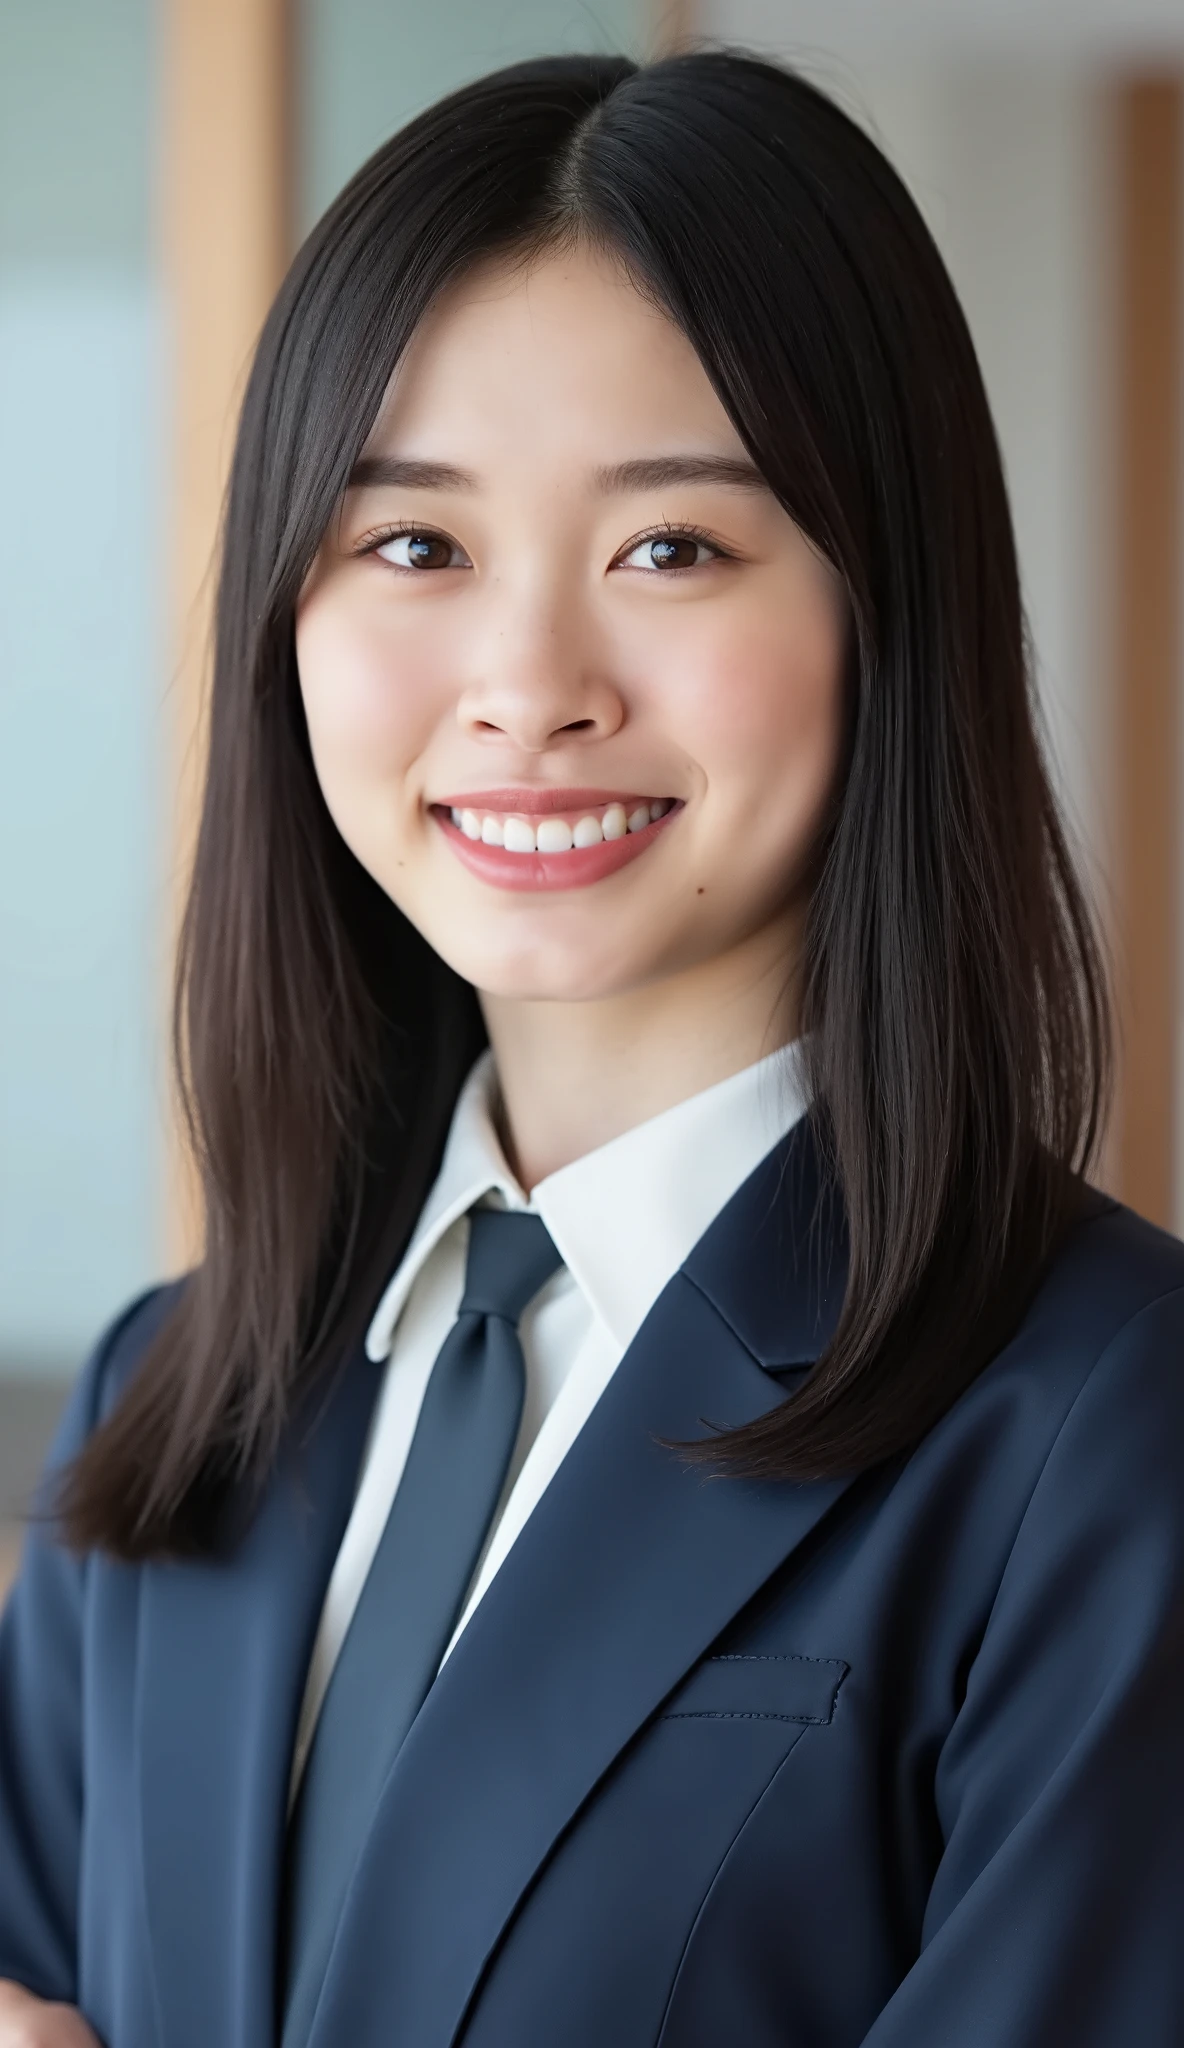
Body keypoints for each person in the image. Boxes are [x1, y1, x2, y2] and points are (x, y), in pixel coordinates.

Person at [1, 48, 1181, 2048]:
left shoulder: (1102, 1429)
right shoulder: (182, 1393)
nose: (528, 688)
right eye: (413, 548)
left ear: (885, 611)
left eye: (671, 550)